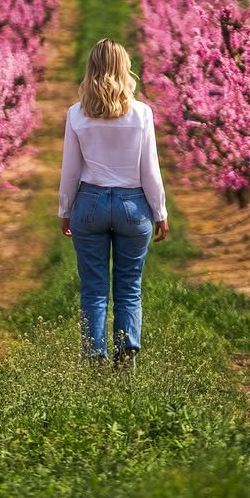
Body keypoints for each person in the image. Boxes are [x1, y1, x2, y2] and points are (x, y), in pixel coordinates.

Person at [58, 39, 169, 367]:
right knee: (129, 285)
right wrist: (159, 211)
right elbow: (150, 169)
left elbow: (70, 170)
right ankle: (127, 355)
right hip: (133, 206)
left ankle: (95, 356)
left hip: (89, 203)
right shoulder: (142, 113)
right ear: (125, 68)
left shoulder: (76, 114)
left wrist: (65, 210)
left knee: (93, 287)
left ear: (90, 69)